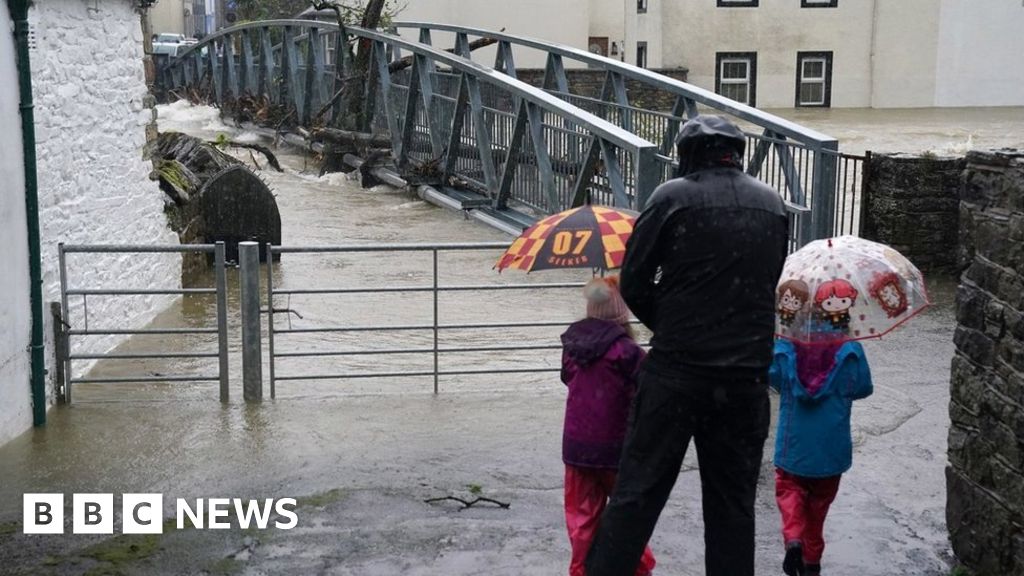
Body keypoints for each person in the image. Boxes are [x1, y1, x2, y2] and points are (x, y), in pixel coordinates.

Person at [585, 115, 789, 576]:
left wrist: (672, 329)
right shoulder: (773, 204)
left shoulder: (671, 197)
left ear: (687, 154)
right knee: (733, 505)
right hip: (745, 380)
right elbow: (767, 280)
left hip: (678, 375)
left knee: (637, 494)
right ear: (736, 152)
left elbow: (633, 281)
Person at [560, 277, 656, 576]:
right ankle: (638, 569)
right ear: (621, 312)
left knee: (581, 519)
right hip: (616, 451)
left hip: (576, 448)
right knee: (628, 516)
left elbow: (567, 378)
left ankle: (580, 570)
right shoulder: (626, 351)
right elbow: (645, 387)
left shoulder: (572, 345)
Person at [770, 332, 873, 576]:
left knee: (789, 490)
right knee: (818, 510)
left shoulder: (785, 346)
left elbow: (772, 379)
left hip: (793, 446)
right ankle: (812, 564)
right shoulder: (851, 349)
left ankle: (793, 538)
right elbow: (864, 388)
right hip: (831, 449)